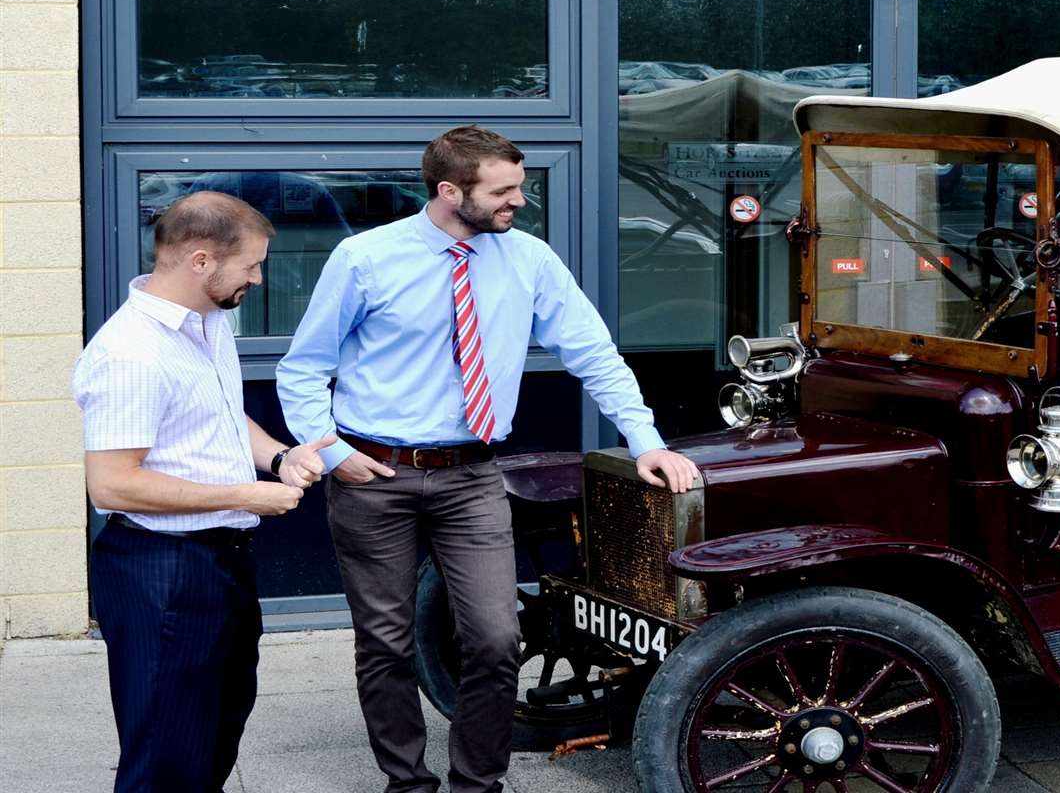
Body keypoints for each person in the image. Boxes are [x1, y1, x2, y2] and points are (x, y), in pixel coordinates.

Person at [277, 125, 699, 793]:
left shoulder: (528, 260)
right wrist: (331, 455)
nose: (520, 202)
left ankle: (478, 784)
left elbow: (592, 353)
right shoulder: (365, 259)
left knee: (497, 641)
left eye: (519, 187)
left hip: (472, 476)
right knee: (384, 644)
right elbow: (303, 370)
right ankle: (406, 783)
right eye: (504, 191)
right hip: (373, 476)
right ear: (450, 191)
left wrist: (646, 441)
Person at [75, 191, 337, 793]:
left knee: (214, 732)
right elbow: (113, 484)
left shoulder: (207, 321)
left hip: (220, 561)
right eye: (251, 264)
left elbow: (221, 416)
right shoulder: (131, 354)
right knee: (168, 755)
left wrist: (278, 456)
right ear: (200, 261)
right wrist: (245, 496)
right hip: (163, 571)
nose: (259, 277)